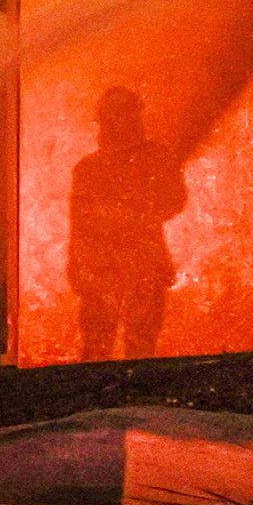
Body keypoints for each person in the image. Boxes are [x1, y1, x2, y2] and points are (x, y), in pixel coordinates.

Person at [67, 86, 186, 361]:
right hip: (101, 271)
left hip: (142, 267)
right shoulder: (88, 169)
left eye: (125, 114)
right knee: (96, 349)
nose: (118, 121)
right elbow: (79, 224)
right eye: (113, 115)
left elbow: (175, 200)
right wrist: (78, 267)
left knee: (141, 348)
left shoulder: (157, 157)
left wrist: (138, 213)